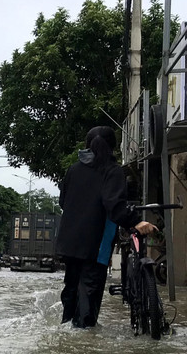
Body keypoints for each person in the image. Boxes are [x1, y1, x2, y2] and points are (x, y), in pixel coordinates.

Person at [55, 126, 157, 328]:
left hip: (69, 243)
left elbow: (63, 201)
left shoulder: (73, 170)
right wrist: (136, 221)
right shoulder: (112, 171)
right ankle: (83, 346)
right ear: (113, 146)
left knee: (72, 290)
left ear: (87, 145)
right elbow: (115, 206)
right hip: (95, 245)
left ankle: (66, 333)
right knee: (89, 295)